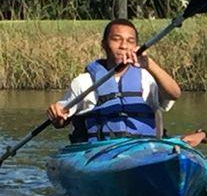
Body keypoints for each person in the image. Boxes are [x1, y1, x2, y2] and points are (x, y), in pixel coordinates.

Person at [46, 19, 181, 143]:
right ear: (104, 44)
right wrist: (57, 115)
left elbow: (174, 94)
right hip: (101, 153)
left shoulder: (147, 77)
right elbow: (61, 121)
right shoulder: (84, 82)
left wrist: (149, 64)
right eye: (116, 39)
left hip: (143, 150)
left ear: (136, 47)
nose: (123, 46)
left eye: (130, 41)